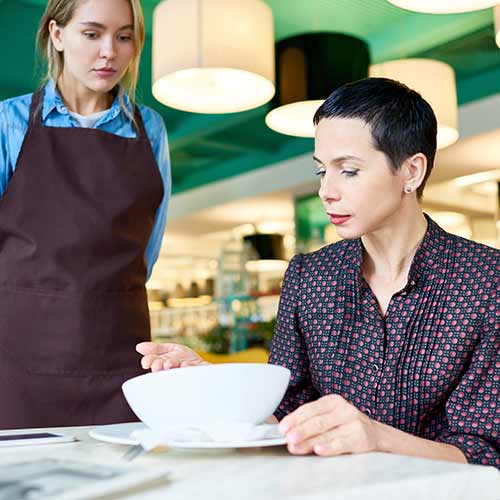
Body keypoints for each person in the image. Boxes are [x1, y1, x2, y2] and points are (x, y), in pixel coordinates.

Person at [137, 77, 500, 469]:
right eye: (320, 171)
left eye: (348, 171)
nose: (327, 190)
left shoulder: (486, 282)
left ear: (411, 172)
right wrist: (216, 383)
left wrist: (376, 437)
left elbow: (485, 453)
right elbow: (287, 415)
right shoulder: (310, 276)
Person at [0, 0, 170, 429]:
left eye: (124, 36)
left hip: (120, 351)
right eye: (92, 34)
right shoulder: (9, 122)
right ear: (58, 35)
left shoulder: (150, 129)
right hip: (17, 358)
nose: (109, 51)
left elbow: (148, 249)